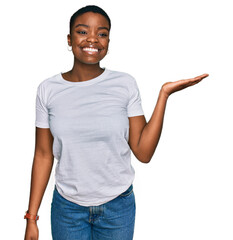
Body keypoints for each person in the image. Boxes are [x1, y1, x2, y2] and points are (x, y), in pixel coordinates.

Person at [24, 5, 209, 240]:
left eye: (102, 34)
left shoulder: (125, 84)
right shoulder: (48, 90)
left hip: (117, 208)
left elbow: (143, 152)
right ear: (69, 39)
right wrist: (32, 217)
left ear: (108, 42)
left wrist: (164, 95)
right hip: (67, 209)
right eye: (83, 32)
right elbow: (43, 154)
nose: (93, 39)